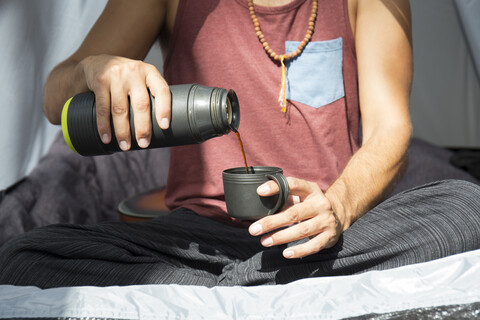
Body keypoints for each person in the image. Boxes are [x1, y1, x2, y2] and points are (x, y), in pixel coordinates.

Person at [0, 0, 479, 288]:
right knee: (26, 257)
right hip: (196, 242)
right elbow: (53, 95)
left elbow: (389, 128)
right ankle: (260, 287)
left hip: (327, 239)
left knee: (466, 208)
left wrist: (338, 207)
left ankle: (222, 292)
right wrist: (94, 68)